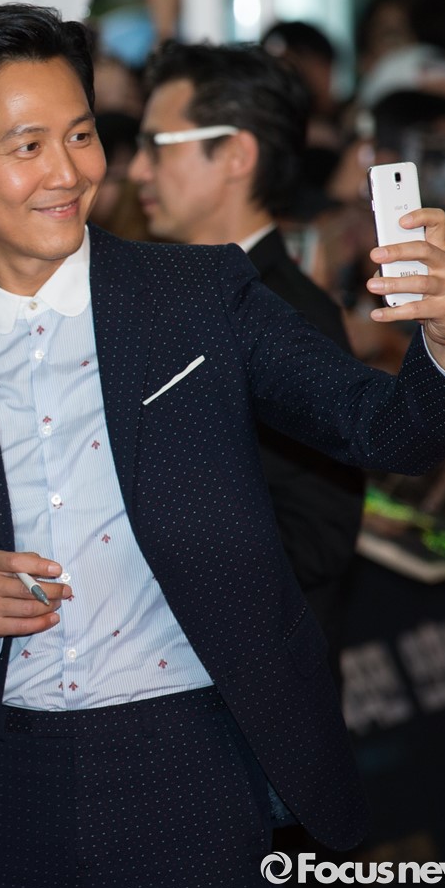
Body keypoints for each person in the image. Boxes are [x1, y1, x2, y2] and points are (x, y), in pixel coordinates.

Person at [0, 4, 445, 888]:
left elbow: (383, 428)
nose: (69, 172)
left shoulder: (196, 293)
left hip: (189, 760)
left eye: (82, 135)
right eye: (28, 145)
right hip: (8, 785)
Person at [128, 41, 365, 679]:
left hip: (253, 689)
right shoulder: (186, 294)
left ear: (236, 154)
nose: (138, 170)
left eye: (157, 146)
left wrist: (144, 547)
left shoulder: (288, 315)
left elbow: (317, 533)